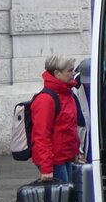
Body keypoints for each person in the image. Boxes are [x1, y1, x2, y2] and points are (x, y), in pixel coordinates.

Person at [30, 55, 83, 183]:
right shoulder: (46, 99)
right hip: (53, 159)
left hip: (64, 156)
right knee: (63, 199)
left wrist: (75, 152)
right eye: (69, 71)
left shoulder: (66, 93)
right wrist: (46, 167)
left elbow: (70, 128)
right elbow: (41, 136)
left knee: (68, 197)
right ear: (57, 73)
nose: (74, 73)